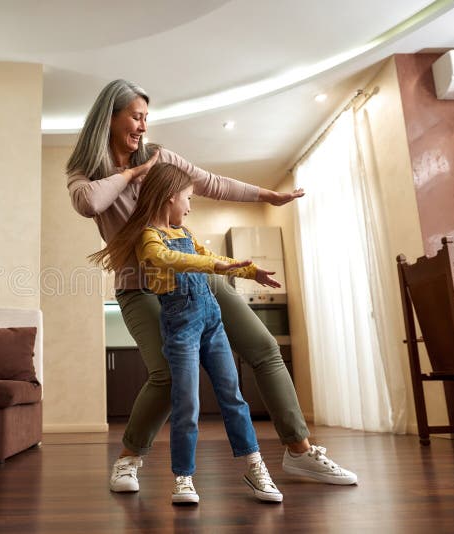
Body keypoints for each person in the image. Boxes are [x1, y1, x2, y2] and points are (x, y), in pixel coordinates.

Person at [66, 79, 357, 493]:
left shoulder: (161, 157)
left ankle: (300, 452)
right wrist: (134, 172)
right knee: (166, 374)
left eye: (146, 118)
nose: (143, 127)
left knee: (265, 348)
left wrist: (267, 196)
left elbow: (212, 182)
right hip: (139, 287)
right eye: (135, 117)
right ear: (109, 118)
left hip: (193, 277)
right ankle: (129, 458)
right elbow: (89, 204)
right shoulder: (85, 173)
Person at [91, 162, 285, 504]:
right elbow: (165, 259)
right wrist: (214, 266)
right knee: (186, 404)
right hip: (181, 326)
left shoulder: (188, 235)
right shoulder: (148, 238)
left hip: (213, 322)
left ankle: (255, 468)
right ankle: (183, 478)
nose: (190, 206)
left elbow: (211, 256)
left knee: (233, 397)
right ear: (170, 198)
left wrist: (251, 271)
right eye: (188, 199)